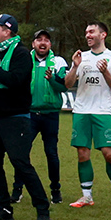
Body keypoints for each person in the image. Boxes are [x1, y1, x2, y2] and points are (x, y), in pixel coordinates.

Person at [0, 14, 50, 220]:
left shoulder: (20, 54)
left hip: (16, 119)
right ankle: (4, 207)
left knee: (20, 163)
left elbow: (15, 81)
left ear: (7, 31)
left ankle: (43, 209)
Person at [63, 21, 111, 210]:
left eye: (92, 32)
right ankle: (86, 196)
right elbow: (67, 84)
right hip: (81, 111)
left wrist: (105, 71)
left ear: (103, 34)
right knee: (82, 154)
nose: (88, 35)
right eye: (86, 33)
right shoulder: (81, 57)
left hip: (103, 112)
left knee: (109, 154)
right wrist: (74, 67)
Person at [28, 29, 69, 203]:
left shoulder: (58, 62)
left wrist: (52, 79)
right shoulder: (24, 59)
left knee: (51, 153)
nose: (42, 43)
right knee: (21, 152)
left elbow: (63, 87)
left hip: (50, 115)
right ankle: (17, 189)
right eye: (39, 40)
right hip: (27, 114)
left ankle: (55, 190)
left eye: (46, 40)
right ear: (33, 44)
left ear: (50, 45)